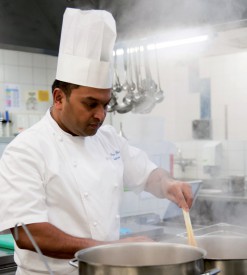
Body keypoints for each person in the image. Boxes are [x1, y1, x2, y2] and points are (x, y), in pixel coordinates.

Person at [0, 8, 193, 275]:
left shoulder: (108, 139)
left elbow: (148, 175)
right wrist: (111, 249)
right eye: (90, 104)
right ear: (58, 98)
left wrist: (169, 184)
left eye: (105, 104)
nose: (101, 115)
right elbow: (29, 234)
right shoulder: (25, 150)